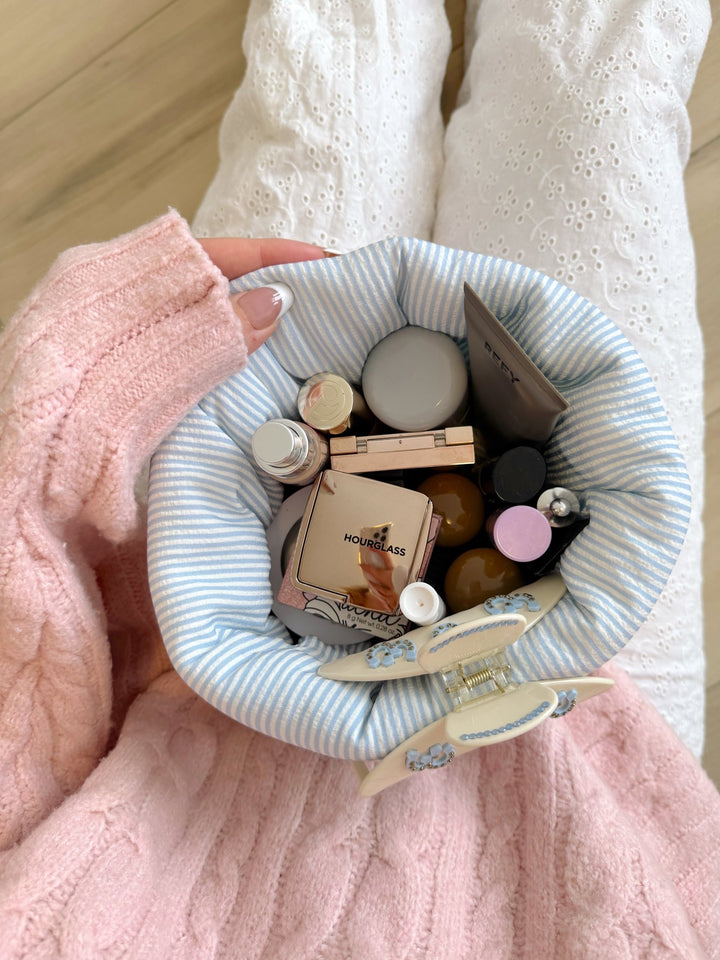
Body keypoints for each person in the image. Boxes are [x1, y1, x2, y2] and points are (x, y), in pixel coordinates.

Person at [0, 2, 717, 957]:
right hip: (588, 735)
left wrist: (53, 423)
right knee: (601, 93)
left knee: (332, 72)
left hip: (207, 660)